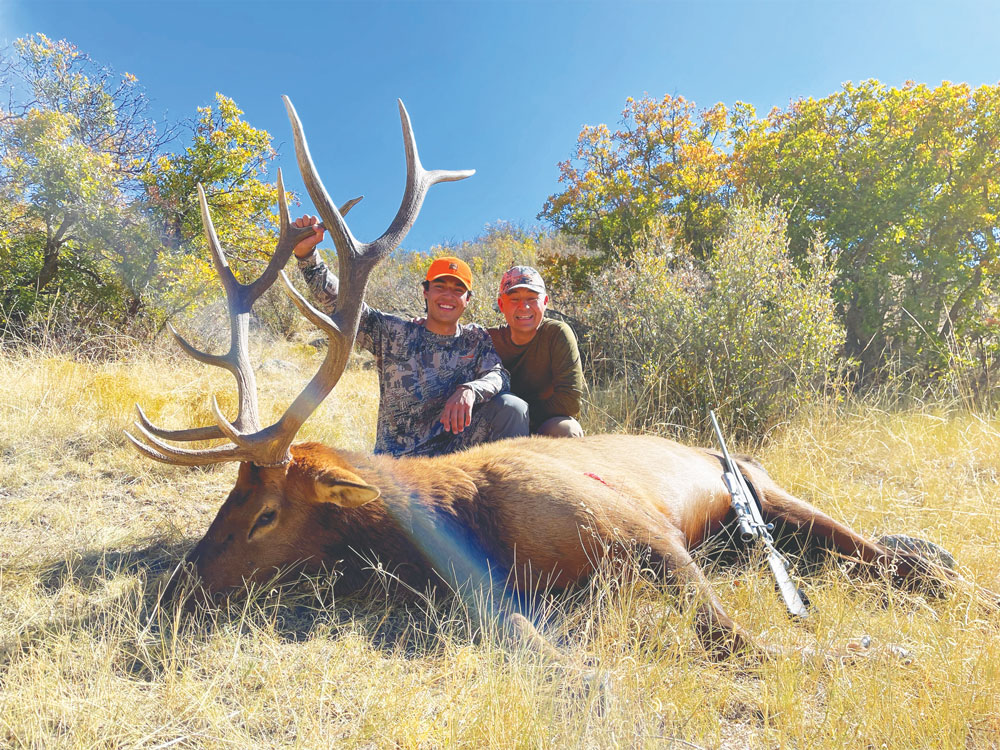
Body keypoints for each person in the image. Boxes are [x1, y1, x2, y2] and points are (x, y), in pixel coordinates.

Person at [291, 216, 529, 457]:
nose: (448, 296)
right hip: (399, 465)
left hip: (455, 458)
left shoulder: (475, 339)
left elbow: (498, 375)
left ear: (467, 300)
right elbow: (341, 302)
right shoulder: (392, 333)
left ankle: (509, 493)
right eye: (440, 287)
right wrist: (307, 256)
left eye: (458, 291)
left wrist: (469, 390)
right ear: (425, 292)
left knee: (512, 408)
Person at [489, 266, 585, 437]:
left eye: (532, 298)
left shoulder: (557, 334)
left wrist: (523, 416)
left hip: (543, 425)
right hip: (501, 426)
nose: (524, 306)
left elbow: (570, 401)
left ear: (545, 302)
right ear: (501, 304)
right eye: (514, 299)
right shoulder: (488, 340)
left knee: (568, 430)